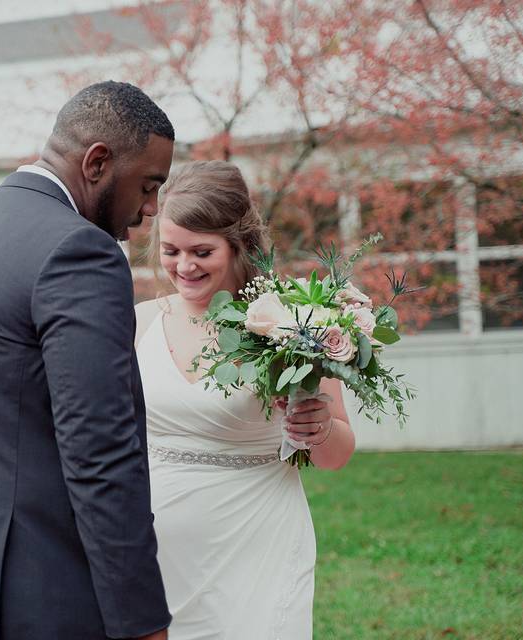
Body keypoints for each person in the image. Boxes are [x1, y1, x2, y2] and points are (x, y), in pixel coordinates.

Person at [0, 81, 175, 640]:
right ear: (96, 162)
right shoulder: (79, 253)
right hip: (34, 594)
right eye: (148, 184)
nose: (149, 209)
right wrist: (140, 619)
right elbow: (101, 454)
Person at [134, 160, 356, 639]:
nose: (183, 265)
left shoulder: (298, 319)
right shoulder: (137, 322)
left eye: (202, 251)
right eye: (171, 250)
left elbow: (336, 455)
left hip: (258, 542)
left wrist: (316, 428)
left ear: (239, 245)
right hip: (154, 547)